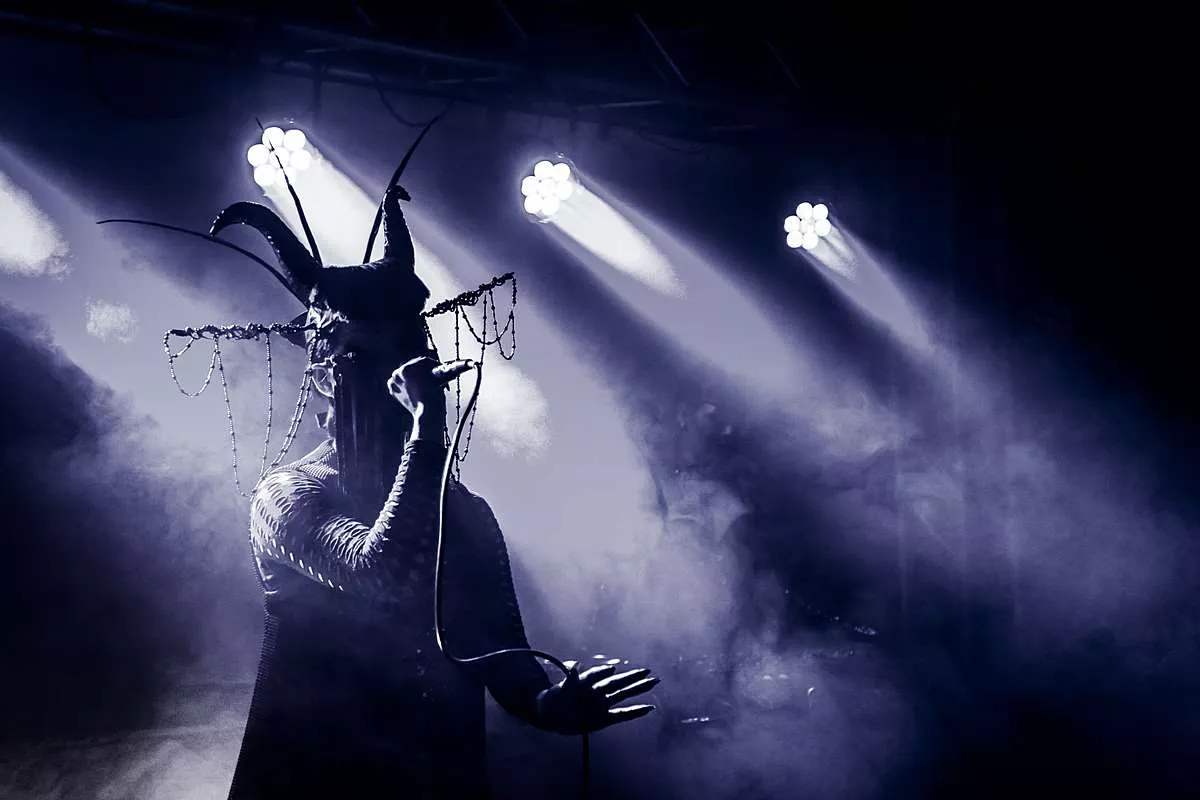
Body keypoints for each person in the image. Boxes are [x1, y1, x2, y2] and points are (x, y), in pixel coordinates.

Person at [219, 183, 658, 798]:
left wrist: (548, 705)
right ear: (323, 377)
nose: (402, 377)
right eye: (369, 361)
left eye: (411, 353)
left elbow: (501, 650)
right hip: (315, 776)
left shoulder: (465, 511)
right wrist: (427, 430)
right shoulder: (286, 494)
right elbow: (380, 569)